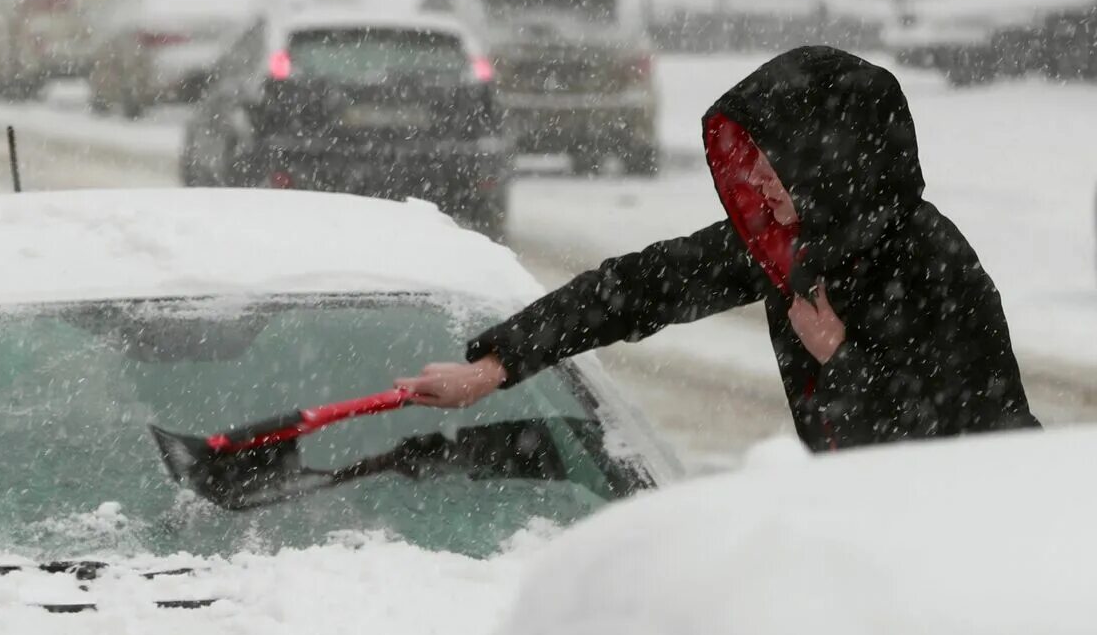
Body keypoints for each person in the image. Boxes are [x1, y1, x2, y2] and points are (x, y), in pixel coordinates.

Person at [399, 46, 1039, 452]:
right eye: (752, 158)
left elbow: (968, 452)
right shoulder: (787, 248)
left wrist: (838, 357)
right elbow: (637, 288)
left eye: (774, 160)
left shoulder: (934, 262)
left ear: (828, 160)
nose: (757, 178)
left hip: (967, 556)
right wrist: (496, 366)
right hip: (861, 528)